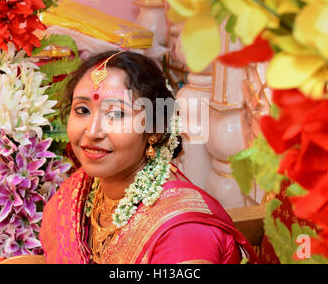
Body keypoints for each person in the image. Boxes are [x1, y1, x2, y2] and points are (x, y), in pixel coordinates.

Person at [40, 50, 258, 264]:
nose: (93, 131)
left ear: (154, 129)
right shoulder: (82, 189)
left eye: (115, 113)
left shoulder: (183, 233)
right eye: (83, 110)